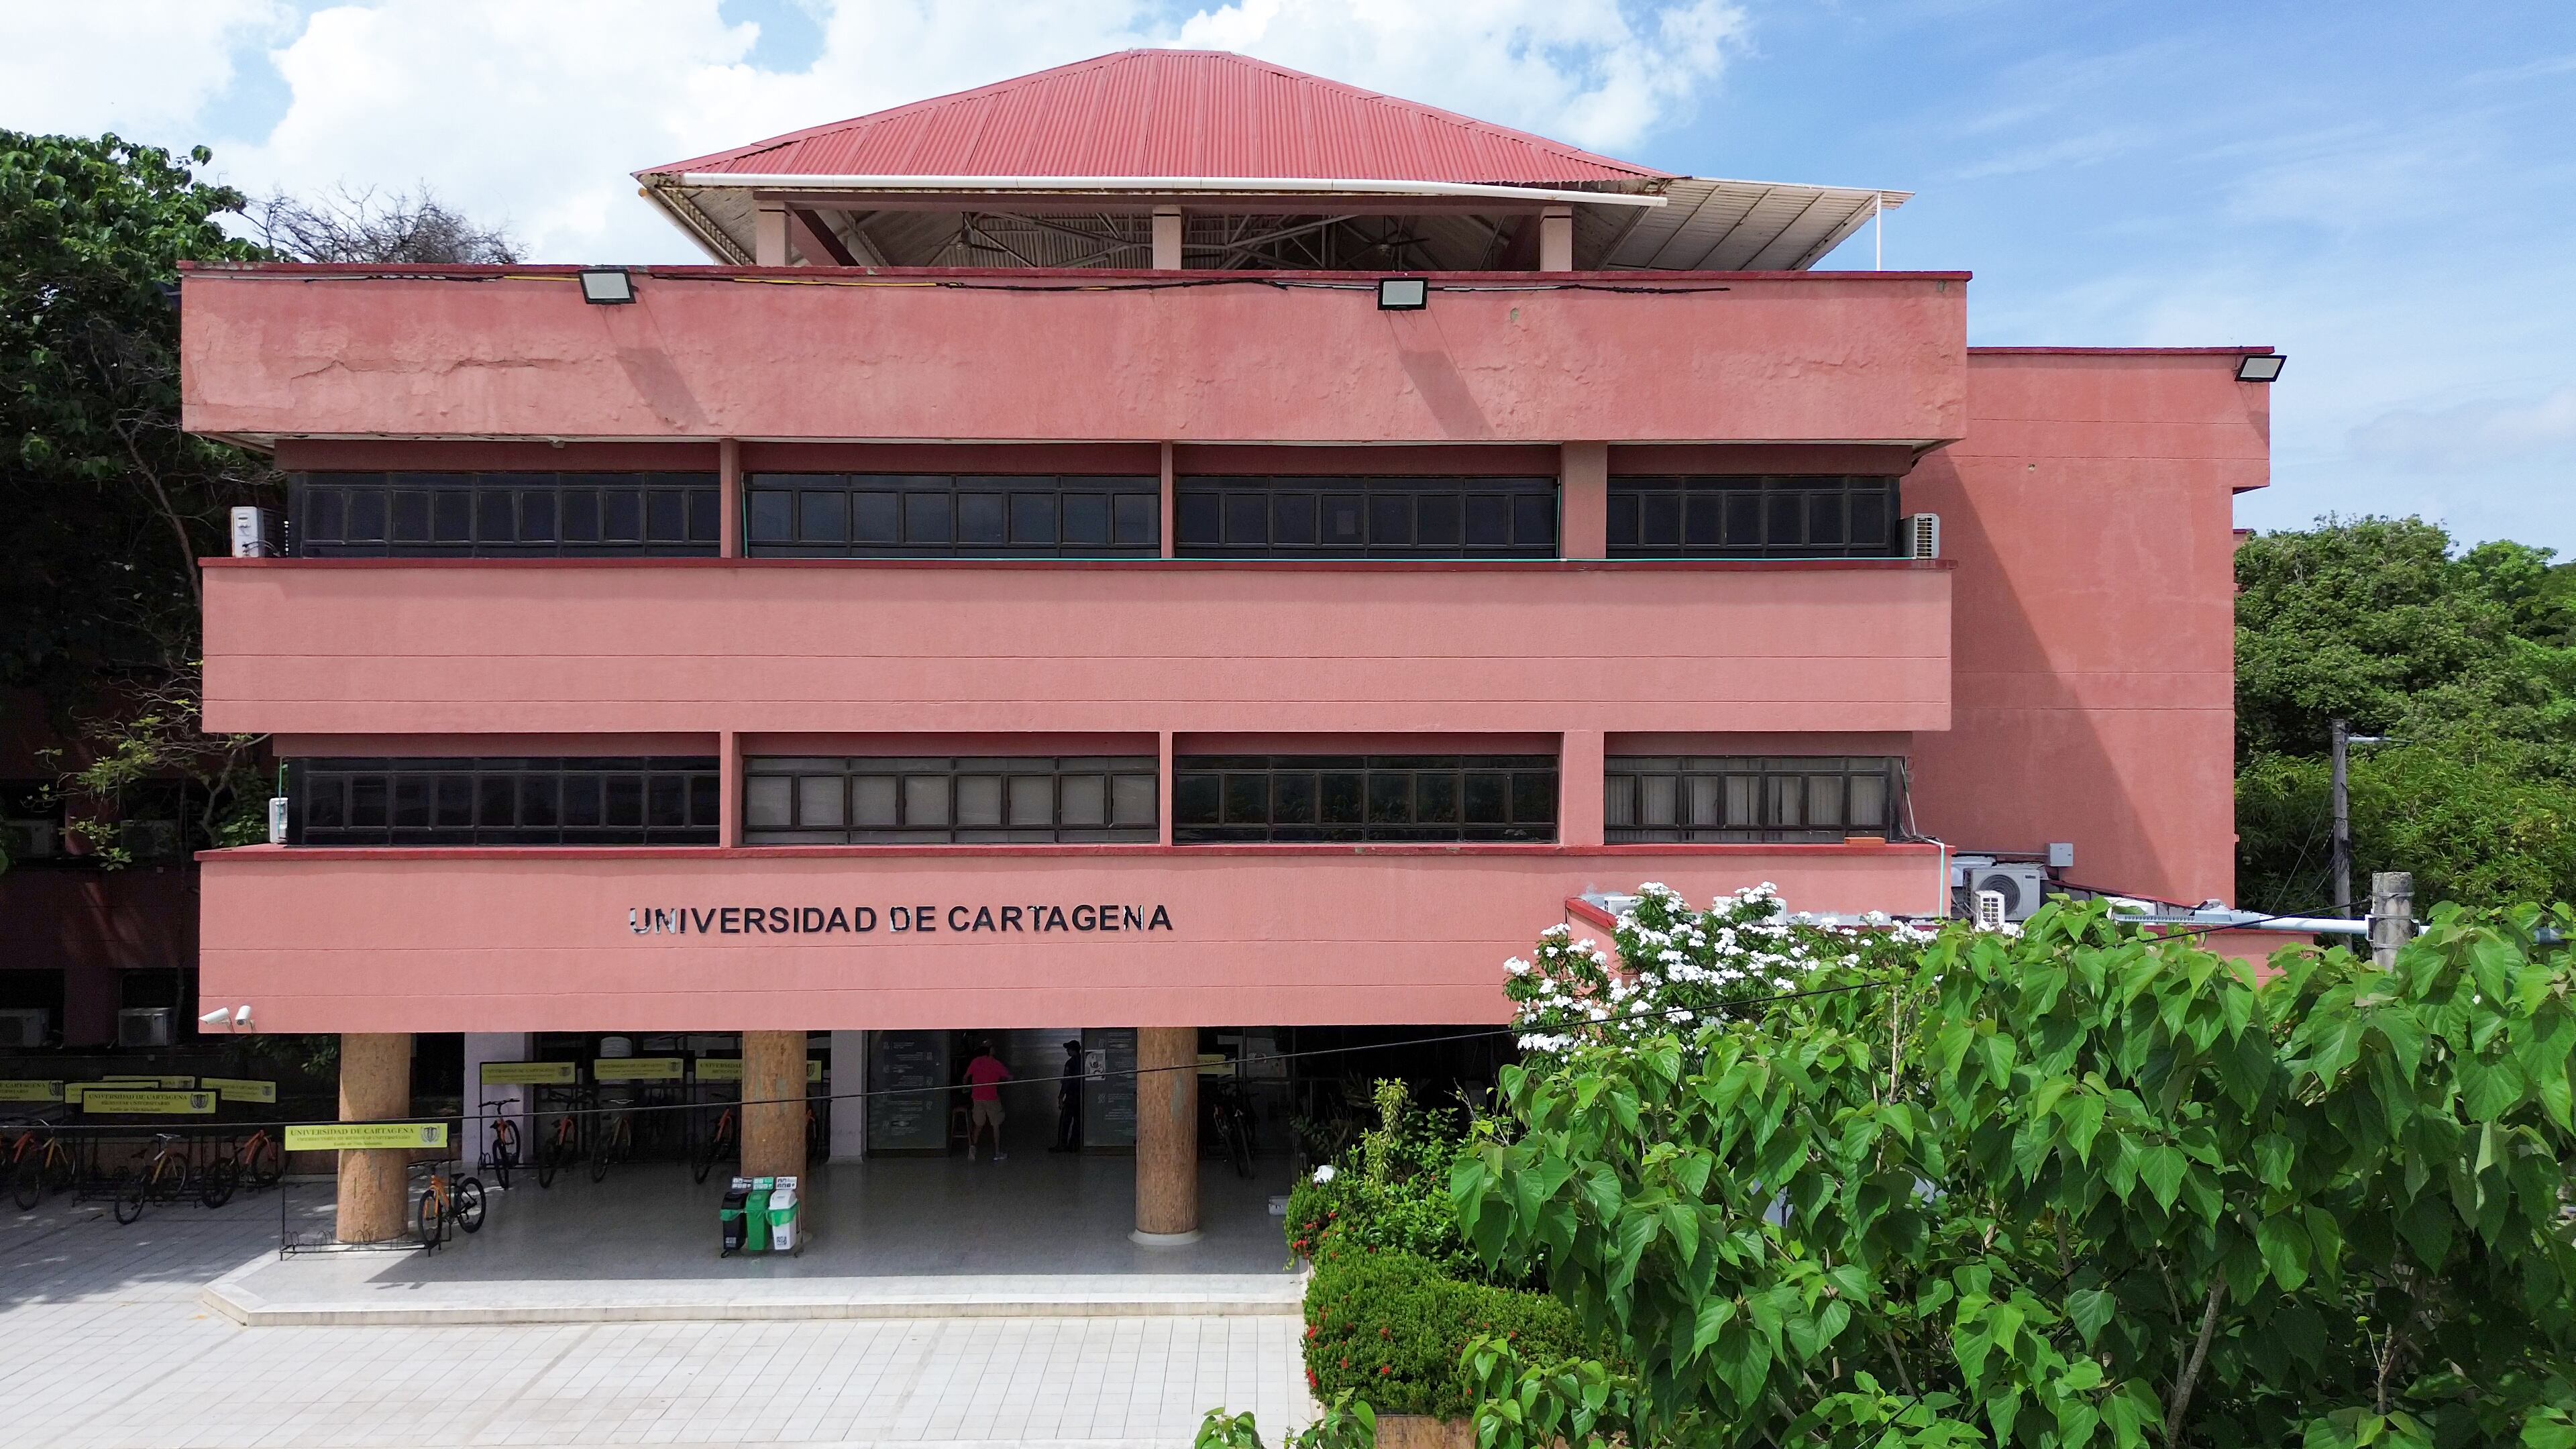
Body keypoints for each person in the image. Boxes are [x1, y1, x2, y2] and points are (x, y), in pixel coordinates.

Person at [962, 1041, 1012, 1162]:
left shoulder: (975, 1062)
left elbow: (965, 1077)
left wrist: (967, 1088)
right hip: (992, 1099)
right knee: (995, 1125)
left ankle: (972, 1150)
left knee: (978, 1125)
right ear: (990, 1050)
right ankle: (997, 1152)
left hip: (977, 1098)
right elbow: (1009, 1078)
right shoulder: (995, 1064)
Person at [1050, 1039, 1085, 1152]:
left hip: (1071, 1098)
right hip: (1081, 1097)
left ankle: (1061, 1145)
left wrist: (1061, 1097)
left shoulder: (1070, 1063)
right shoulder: (1083, 1061)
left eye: (1068, 1049)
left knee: (1065, 1122)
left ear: (1073, 1050)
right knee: (1078, 1123)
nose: (1067, 1051)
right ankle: (1074, 1145)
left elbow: (1067, 1081)